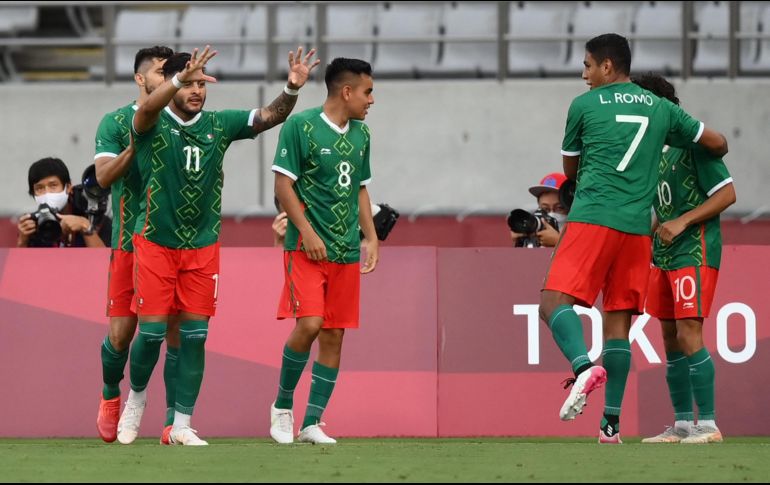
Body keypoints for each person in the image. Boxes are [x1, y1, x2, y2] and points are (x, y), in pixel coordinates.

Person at [115, 45, 319, 446]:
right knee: (152, 333)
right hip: (155, 241)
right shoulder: (150, 122)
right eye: (188, 84)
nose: (197, 91)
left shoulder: (218, 125)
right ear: (171, 85)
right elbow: (146, 110)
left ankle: (182, 424)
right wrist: (176, 77)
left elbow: (268, 117)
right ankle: (136, 397)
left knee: (196, 335)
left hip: (203, 246)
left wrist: (292, 88)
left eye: (200, 84)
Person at [538, 33, 729, 444]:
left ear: (607, 66)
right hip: (638, 230)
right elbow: (717, 143)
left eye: (588, 65)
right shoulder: (662, 109)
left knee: (552, 302)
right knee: (618, 322)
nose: (584, 73)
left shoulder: (584, 105)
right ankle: (611, 426)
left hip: (593, 216)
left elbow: (570, 171)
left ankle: (582, 366)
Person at [269, 57, 378, 445]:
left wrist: (371, 236)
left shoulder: (362, 134)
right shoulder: (301, 126)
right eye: (367, 92)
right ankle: (282, 407)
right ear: (346, 91)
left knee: (334, 335)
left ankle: (312, 422)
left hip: (346, 250)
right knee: (310, 324)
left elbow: (360, 188)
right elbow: (284, 186)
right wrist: (307, 231)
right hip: (305, 249)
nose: (371, 100)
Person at [632, 74, 735, 445]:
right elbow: (666, 205)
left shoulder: (693, 144)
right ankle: (681, 425)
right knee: (669, 336)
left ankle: (708, 424)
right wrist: (656, 228)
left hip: (695, 249)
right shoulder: (653, 153)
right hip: (664, 254)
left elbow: (727, 194)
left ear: (660, 106)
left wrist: (682, 222)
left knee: (690, 331)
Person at [93, 46, 182, 445]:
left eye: (169, 72)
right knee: (120, 336)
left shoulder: (182, 123)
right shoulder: (115, 122)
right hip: (129, 242)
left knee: (175, 332)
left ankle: (173, 422)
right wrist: (135, 144)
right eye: (159, 72)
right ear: (140, 78)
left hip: (174, 245)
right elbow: (103, 178)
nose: (165, 78)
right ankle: (111, 392)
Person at [17, 157, 111, 248]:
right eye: (39, 188)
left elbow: (106, 261)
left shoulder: (95, 219)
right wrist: (22, 241)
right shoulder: (33, 227)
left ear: (68, 187)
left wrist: (85, 226)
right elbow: (20, 263)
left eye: (53, 185)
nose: (47, 193)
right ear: (33, 194)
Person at [510, 172, 568, 248]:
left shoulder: (582, 234)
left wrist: (558, 242)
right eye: (545, 209)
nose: (551, 214)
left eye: (559, 208)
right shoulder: (536, 233)